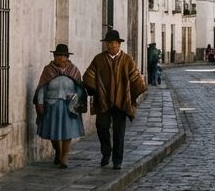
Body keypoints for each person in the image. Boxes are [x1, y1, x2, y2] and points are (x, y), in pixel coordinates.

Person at [83, 29, 148, 169]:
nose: (112, 46)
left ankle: (117, 160)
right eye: (109, 43)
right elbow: (89, 75)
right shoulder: (99, 59)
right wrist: (92, 88)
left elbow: (136, 79)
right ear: (106, 44)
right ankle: (106, 152)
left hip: (121, 101)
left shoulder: (127, 60)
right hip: (103, 100)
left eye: (114, 43)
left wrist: (131, 97)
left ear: (119, 44)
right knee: (101, 127)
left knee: (119, 132)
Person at [34, 44, 86, 168]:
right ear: (54, 57)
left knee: (67, 133)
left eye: (63, 56)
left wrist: (78, 101)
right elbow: (42, 87)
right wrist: (40, 103)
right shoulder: (48, 70)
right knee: (54, 132)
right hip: (52, 105)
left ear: (67, 57)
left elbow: (79, 87)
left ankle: (64, 159)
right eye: (58, 56)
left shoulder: (73, 70)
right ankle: (58, 150)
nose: (61, 58)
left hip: (69, 106)